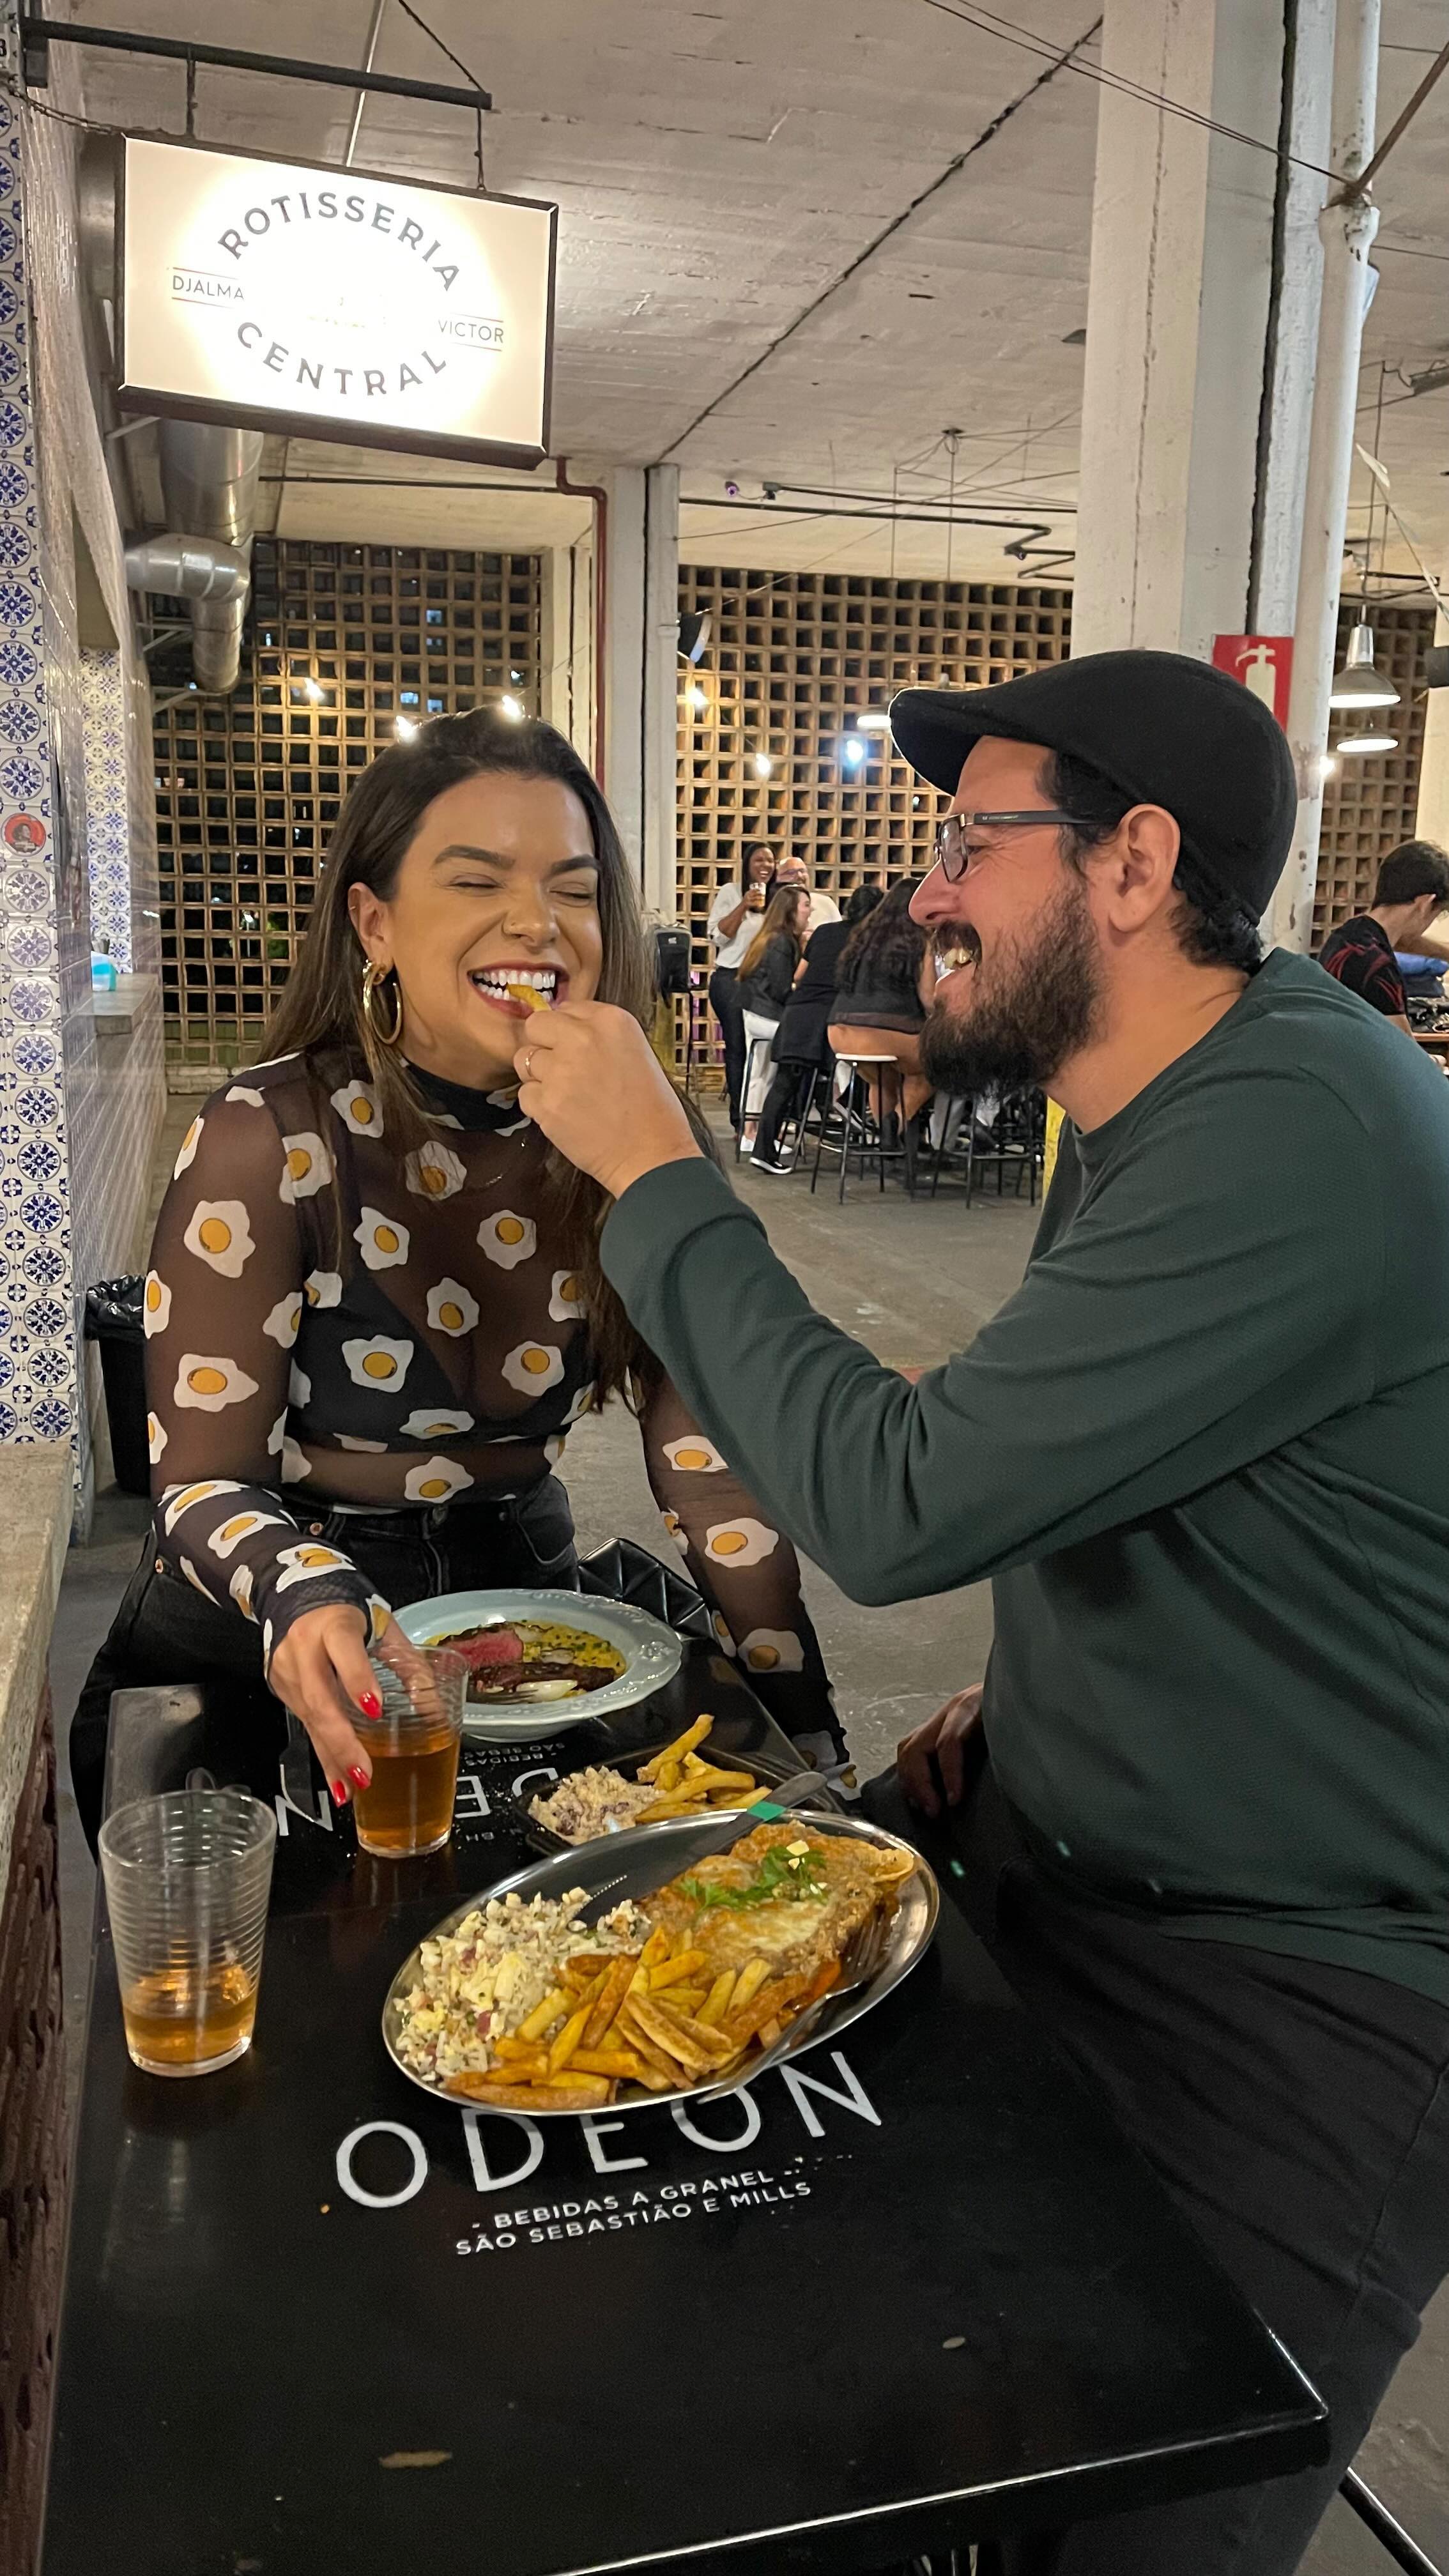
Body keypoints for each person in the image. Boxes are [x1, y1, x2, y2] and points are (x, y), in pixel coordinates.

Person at [511, 648, 1449, 2576]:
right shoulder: (1143, 1101)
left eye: (967, 843)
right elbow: (1129, 1474)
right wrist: (1033, 1720)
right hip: (1072, 1864)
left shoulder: (1297, 1130)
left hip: (1312, 1989)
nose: (929, 892)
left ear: (1133, 866)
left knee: (1117, 2520)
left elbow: (901, 1498)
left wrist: (661, 1177)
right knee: (859, 2399)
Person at [70, 712, 841, 1844]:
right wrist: (304, 1589)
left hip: (520, 1605)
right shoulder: (268, 1134)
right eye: (476, 879)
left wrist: (806, 1733)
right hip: (258, 1629)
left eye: (573, 890)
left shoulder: (636, 1133)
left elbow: (714, 1480)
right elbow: (201, 1483)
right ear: (374, 922)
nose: (535, 922)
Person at [753, 884, 884, 1175]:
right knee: (867, 1064)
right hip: (822, 1020)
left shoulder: (824, 932)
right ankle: (847, 1106)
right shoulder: (870, 941)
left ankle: (764, 1150)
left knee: (784, 1085)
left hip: (797, 1011)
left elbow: (800, 974)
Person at [826, 878, 936, 1137]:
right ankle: (895, 1123)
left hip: (840, 1034)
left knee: (883, 1078)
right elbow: (930, 999)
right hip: (885, 1032)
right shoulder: (919, 940)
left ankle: (882, 1139)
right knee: (935, 1067)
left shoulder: (862, 937)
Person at [1315, 838, 1449, 1028]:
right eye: (1434, 915)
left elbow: (1404, 941)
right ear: (1425, 904)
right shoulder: (1379, 968)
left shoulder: (1346, 936)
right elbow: (1405, 1055)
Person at [706, 844, 776, 1129]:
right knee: (738, 1049)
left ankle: (765, 1119)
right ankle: (740, 1120)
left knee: (767, 1052)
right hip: (732, 979)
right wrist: (744, 904)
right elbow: (717, 937)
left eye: (771, 861)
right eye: (759, 859)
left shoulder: (779, 899)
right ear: (747, 863)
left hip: (765, 981)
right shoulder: (731, 892)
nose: (765, 865)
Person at [735, 885, 809, 1150]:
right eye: (806, 906)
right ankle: (759, 1132)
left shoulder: (771, 937)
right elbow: (780, 989)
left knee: (759, 1072)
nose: (810, 912)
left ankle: (751, 1132)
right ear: (790, 911)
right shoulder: (781, 941)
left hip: (755, 1010)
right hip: (766, 1015)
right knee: (771, 1070)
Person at [774, 853, 841, 935]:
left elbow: (839, 934)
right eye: (791, 872)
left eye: (802, 871)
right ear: (777, 879)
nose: (799, 876)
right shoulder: (774, 906)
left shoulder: (825, 902)